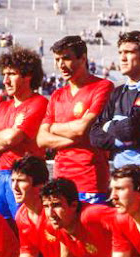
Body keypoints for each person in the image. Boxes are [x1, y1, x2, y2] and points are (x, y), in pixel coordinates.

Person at [89, 31, 140, 196]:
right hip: (119, 174)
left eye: (129, 52)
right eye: (120, 53)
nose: (122, 58)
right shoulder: (117, 92)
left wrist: (109, 126)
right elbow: (94, 135)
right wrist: (124, 137)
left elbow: (133, 129)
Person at [37, 35, 114, 204]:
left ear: (83, 58)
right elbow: (41, 139)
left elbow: (82, 129)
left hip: (90, 180)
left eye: (66, 58)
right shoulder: (57, 95)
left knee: (89, 229)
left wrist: (54, 128)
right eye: (57, 59)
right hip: (60, 179)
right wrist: (77, 135)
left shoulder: (103, 87)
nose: (60, 65)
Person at [0, 46, 48, 224]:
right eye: (4, 74)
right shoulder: (3, 107)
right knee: (2, 233)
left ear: (28, 75)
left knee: (28, 230)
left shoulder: (38, 103)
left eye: (11, 74)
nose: (5, 81)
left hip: (26, 177)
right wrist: (2, 136)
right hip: (1, 176)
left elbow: (12, 138)